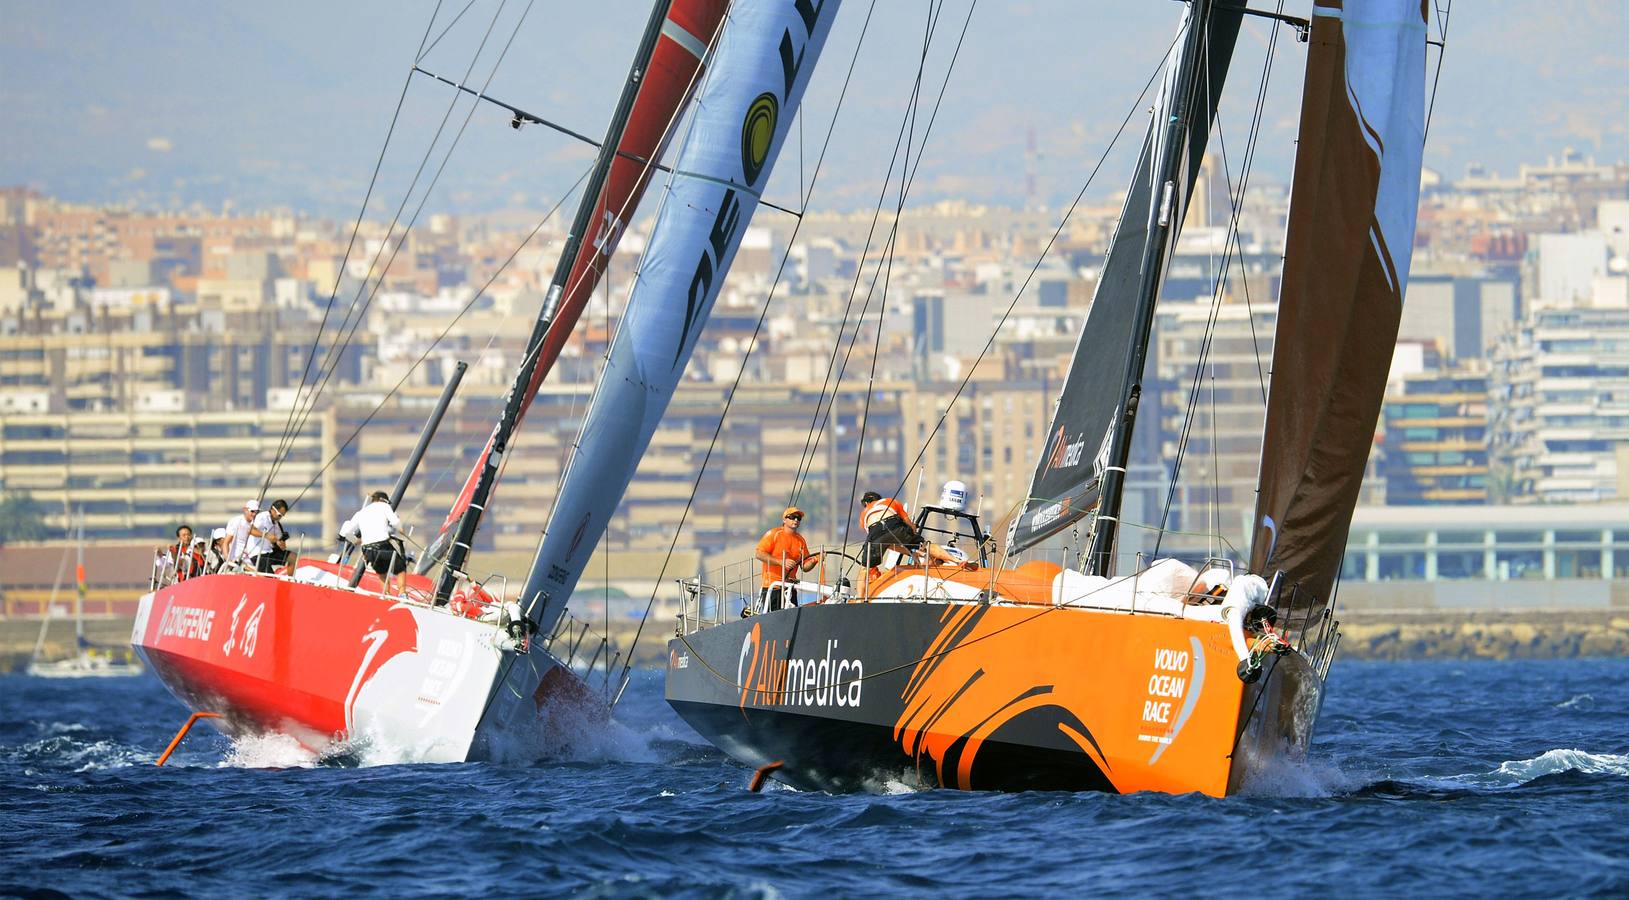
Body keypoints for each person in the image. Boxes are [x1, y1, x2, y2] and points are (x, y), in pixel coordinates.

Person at [858, 490, 956, 570]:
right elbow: (909, 523)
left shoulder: (864, 513)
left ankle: (862, 593)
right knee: (924, 545)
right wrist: (913, 531)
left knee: (865, 568)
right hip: (895, 525)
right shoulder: (890, 501)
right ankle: (955, 560)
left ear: (866, 503)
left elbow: (879, 539)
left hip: (877, 534)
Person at [752, 507, 820, 614]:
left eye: (798, 518)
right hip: (773, 587)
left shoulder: (800, 540)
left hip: (790, 587)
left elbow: (805, 566)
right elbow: (759, 554)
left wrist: (815, 560)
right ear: (784, 519)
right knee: (773, 619)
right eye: (792, 517)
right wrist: (781, 562)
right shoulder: (774, 534)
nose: (796, 520)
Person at [342, 491, 407, 595]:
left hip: (367, 549)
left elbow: (346, 532)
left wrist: (356, 541)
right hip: (382, 545)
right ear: (384, 500)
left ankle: (386, 594)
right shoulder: (384, 506)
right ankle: (402, 593)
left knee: (382, 572)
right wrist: (401, 529)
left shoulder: (361, 512)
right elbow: (395, 522)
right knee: (401, 568)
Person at [251, 499, 290, 573]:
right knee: (270, 577)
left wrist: (282, 543)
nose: (280, 517)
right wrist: (266, 535)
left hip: (269, 553)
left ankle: (290, 580)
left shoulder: (278, 525)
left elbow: (282, 546)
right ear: (273, 510)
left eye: (282, 516)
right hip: (258, 554)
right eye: (279, 515)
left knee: (293, 557)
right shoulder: (262, 517)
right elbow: (251, 530)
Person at [224, 499, 259, 568]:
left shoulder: (257, 524)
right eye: (252, 511)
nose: (254, 514)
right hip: (237, 561)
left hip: (251, 561)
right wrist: (228, 561)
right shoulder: (236, 521)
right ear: (245, 509)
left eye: (257, 512)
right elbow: (226, 543)